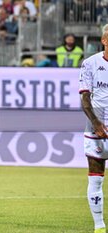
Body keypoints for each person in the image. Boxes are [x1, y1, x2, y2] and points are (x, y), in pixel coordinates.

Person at [79, 24, 108, 233]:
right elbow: (85, 98)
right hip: (96, 127)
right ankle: (99, 226)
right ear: (104, 40)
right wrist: (97, 123)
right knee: (96, 178)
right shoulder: (90, 63)